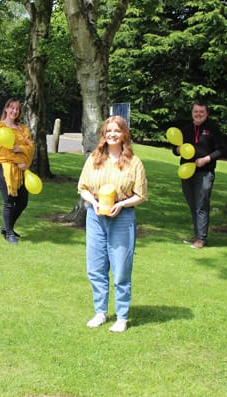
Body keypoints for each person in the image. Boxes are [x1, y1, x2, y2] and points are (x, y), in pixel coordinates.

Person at [78, 115, 148, 333]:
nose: (112, 134)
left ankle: (122, 316)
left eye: (117, 130)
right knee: (96, 267)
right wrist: (94, 203)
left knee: (121, 269)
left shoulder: (134, 163)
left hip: (122, 216)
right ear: (103, 134)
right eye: (108, 131)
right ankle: (100, 312)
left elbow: (141, 194)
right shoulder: (94, 159)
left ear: (124, 134)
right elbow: (83, 188)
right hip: (96, 216)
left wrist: (123, 205)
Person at [172, 100, 226, 249]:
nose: (198, 114)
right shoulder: (186, 129)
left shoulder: (213, 129)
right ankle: (197, 235)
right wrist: (177, 149)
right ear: (192, 113)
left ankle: (201, 239)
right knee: (193, 205)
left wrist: (206, 159)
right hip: (186, 172)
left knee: (201, 205)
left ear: (206, 113)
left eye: (201, 112)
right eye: (196, 111)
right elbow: (175, 149)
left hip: (204, 173)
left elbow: (221, 149)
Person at [0, 98, 34, 244]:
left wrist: (21, 150)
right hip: (5, 168)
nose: (14, 111)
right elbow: (4, 149)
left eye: (17, 109)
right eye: (12, 108)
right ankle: (9, 233)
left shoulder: (23, 129)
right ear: (6, 108)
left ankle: (6, 227)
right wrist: (19, 159)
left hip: (22, 170)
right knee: (8, 202)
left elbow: (31, 147)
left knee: (22, 202)